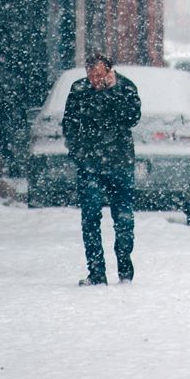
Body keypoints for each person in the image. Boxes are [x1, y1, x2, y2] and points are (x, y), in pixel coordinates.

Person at [63, 55, 141, 285]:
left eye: (99, 74)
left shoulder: (125, 87)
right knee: (90, 218)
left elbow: (131, 118)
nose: (95, 80)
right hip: (89, 164)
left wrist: (112, 92)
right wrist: (77, 151)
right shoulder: (78, 90)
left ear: (109, 71)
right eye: (91, 75)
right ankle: (96, 272)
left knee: (123, 218)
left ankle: (125, 268)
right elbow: (69, 123)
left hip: (119, 163)